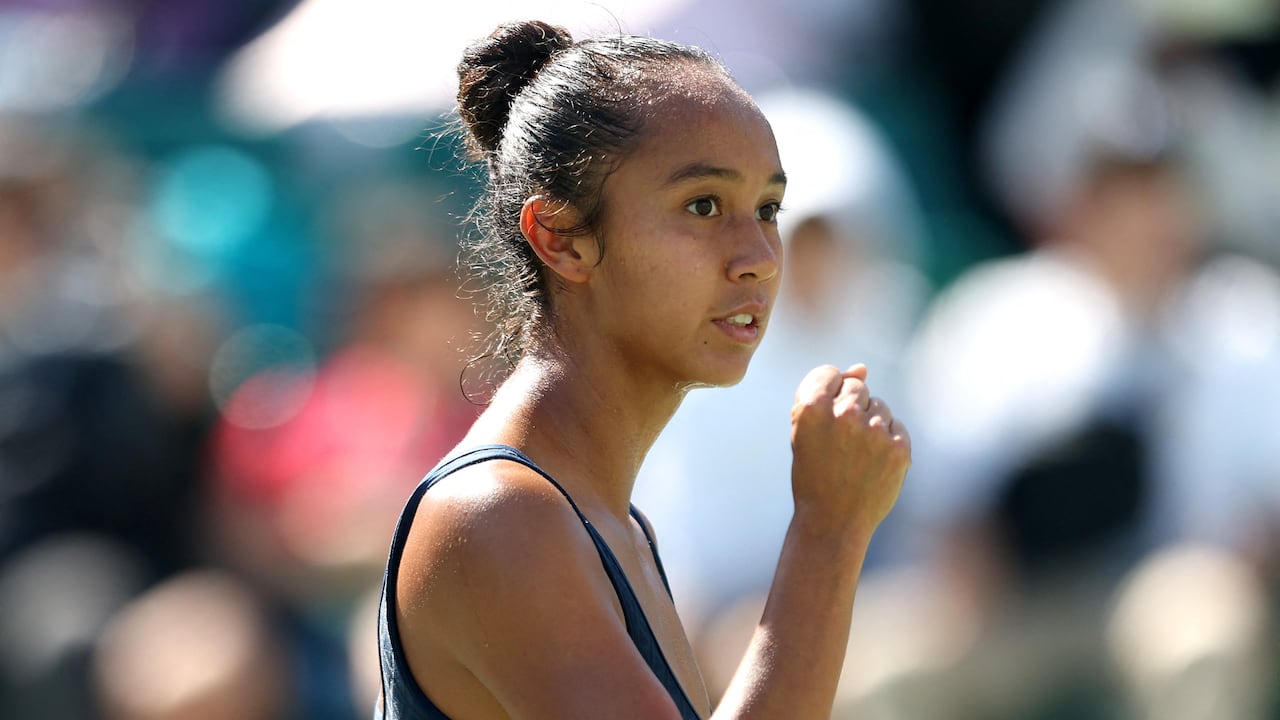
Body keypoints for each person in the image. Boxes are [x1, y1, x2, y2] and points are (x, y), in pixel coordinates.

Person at [373, 19, 911, 720]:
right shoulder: (499, 518)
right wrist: (827, 531)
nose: (760, 258)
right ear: (561, 238)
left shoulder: (616, 525)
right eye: (703, 205)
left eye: (768, 209)